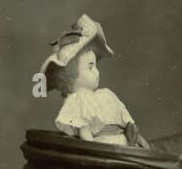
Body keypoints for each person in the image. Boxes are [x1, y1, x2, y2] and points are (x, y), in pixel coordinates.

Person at [39, 14, 149, 148]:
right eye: (90, 67)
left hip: (127, 146)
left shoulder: (106, 95)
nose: (97, 72)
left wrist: (141, 144)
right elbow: (86, 137)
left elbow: (128, 125)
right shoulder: (79, 100)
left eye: (96, 66)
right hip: (107, 151)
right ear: (72, 76)